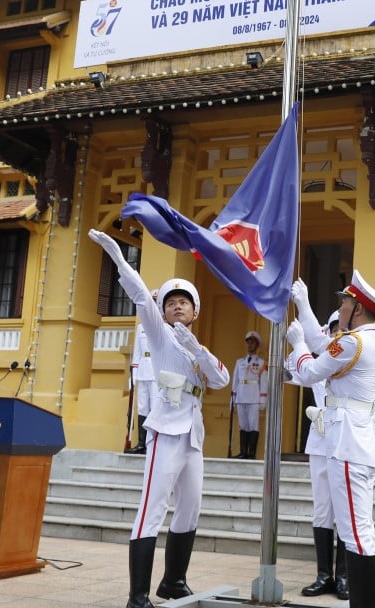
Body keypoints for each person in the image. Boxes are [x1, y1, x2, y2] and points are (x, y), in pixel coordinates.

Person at [88, 229, 230, 608]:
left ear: (196, 312)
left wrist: (196, 348)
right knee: (152, 508)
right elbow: (140, 295)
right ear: (163, 310)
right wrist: (120, 259)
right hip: (166, 431)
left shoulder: (195, 346)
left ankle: (173, 581)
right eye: (171, 303)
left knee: (190, 507)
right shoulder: (159, 335)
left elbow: (221, 378)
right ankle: (138, 596)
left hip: (192, 436)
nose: (178, 307)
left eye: (185, 302)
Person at [285, 269, 375, 608]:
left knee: (357, 536)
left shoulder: (353, 342)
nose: (341, 305)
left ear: (356, 308)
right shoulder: (369, 341)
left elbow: (309, 369)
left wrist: (298, 342)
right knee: (360, 533)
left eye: (344, 301)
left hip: (346, 444)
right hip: (356, 440)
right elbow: (325, 346)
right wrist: (303, 306)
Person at [288, 292, 349, 600]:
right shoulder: (320, 360)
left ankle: (344, 577)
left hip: (346, 438)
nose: (339, 334)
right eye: (334, 329)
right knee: (322, 509)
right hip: (320, 439)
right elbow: (297, 371)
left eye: (343, 329)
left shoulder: (352, 357)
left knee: (345, 509)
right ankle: (324, 574)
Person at [126, 290, 158, 455]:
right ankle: (142, 444)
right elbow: (138, 353)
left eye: (156, 301)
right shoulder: (141, 327)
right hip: (144, 372)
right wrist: (133, 376)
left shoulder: (164, 326)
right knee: (143, 407)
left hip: (157, 374)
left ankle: (154, 444)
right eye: (151, 301)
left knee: (155, 408)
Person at [230, 330, 267, 459]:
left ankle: (251, 453)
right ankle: (243, 452)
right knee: (243, 424)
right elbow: (235, 381)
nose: (250, 345)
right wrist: (232, 398)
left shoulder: (261, 363)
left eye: (252, 342)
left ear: (257, 345)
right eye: (248, 342)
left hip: (254, 396)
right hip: (241, 396)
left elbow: (263, 382)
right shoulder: (239, 362)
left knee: (253, 425)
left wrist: (263, 399)